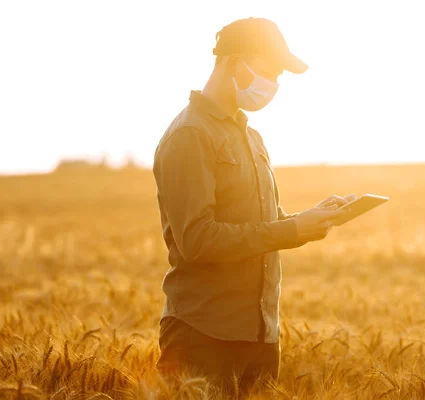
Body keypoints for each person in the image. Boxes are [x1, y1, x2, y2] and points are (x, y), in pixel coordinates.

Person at [153, 17, 356, 395]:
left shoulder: (252, 137)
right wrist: (291, 229)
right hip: (203, 336)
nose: (274, 86)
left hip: (260, 335)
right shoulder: (190, 135)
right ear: (234, 62)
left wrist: (311, 219)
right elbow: (198, 240)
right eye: (269, 72)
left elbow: (263, 225)